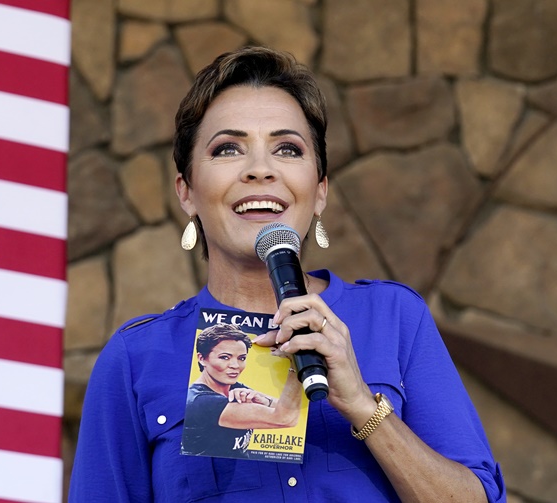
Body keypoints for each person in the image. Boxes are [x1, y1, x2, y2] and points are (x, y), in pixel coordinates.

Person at [69, 46, 506, 502]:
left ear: (319, 191)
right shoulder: (135, 358)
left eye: (287, 149)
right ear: (187, 192)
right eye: (228, 149)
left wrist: (363, 406)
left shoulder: (394, 317)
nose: (261, 170)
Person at [181, 322, 301, 458]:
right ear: (202, 358)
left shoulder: (233, 387)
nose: (235, 365)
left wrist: (263, 400)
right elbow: (286, 418)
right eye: (225, 357)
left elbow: (288, 409)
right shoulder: (201, 401)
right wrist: (297, 364)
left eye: (241, 358)